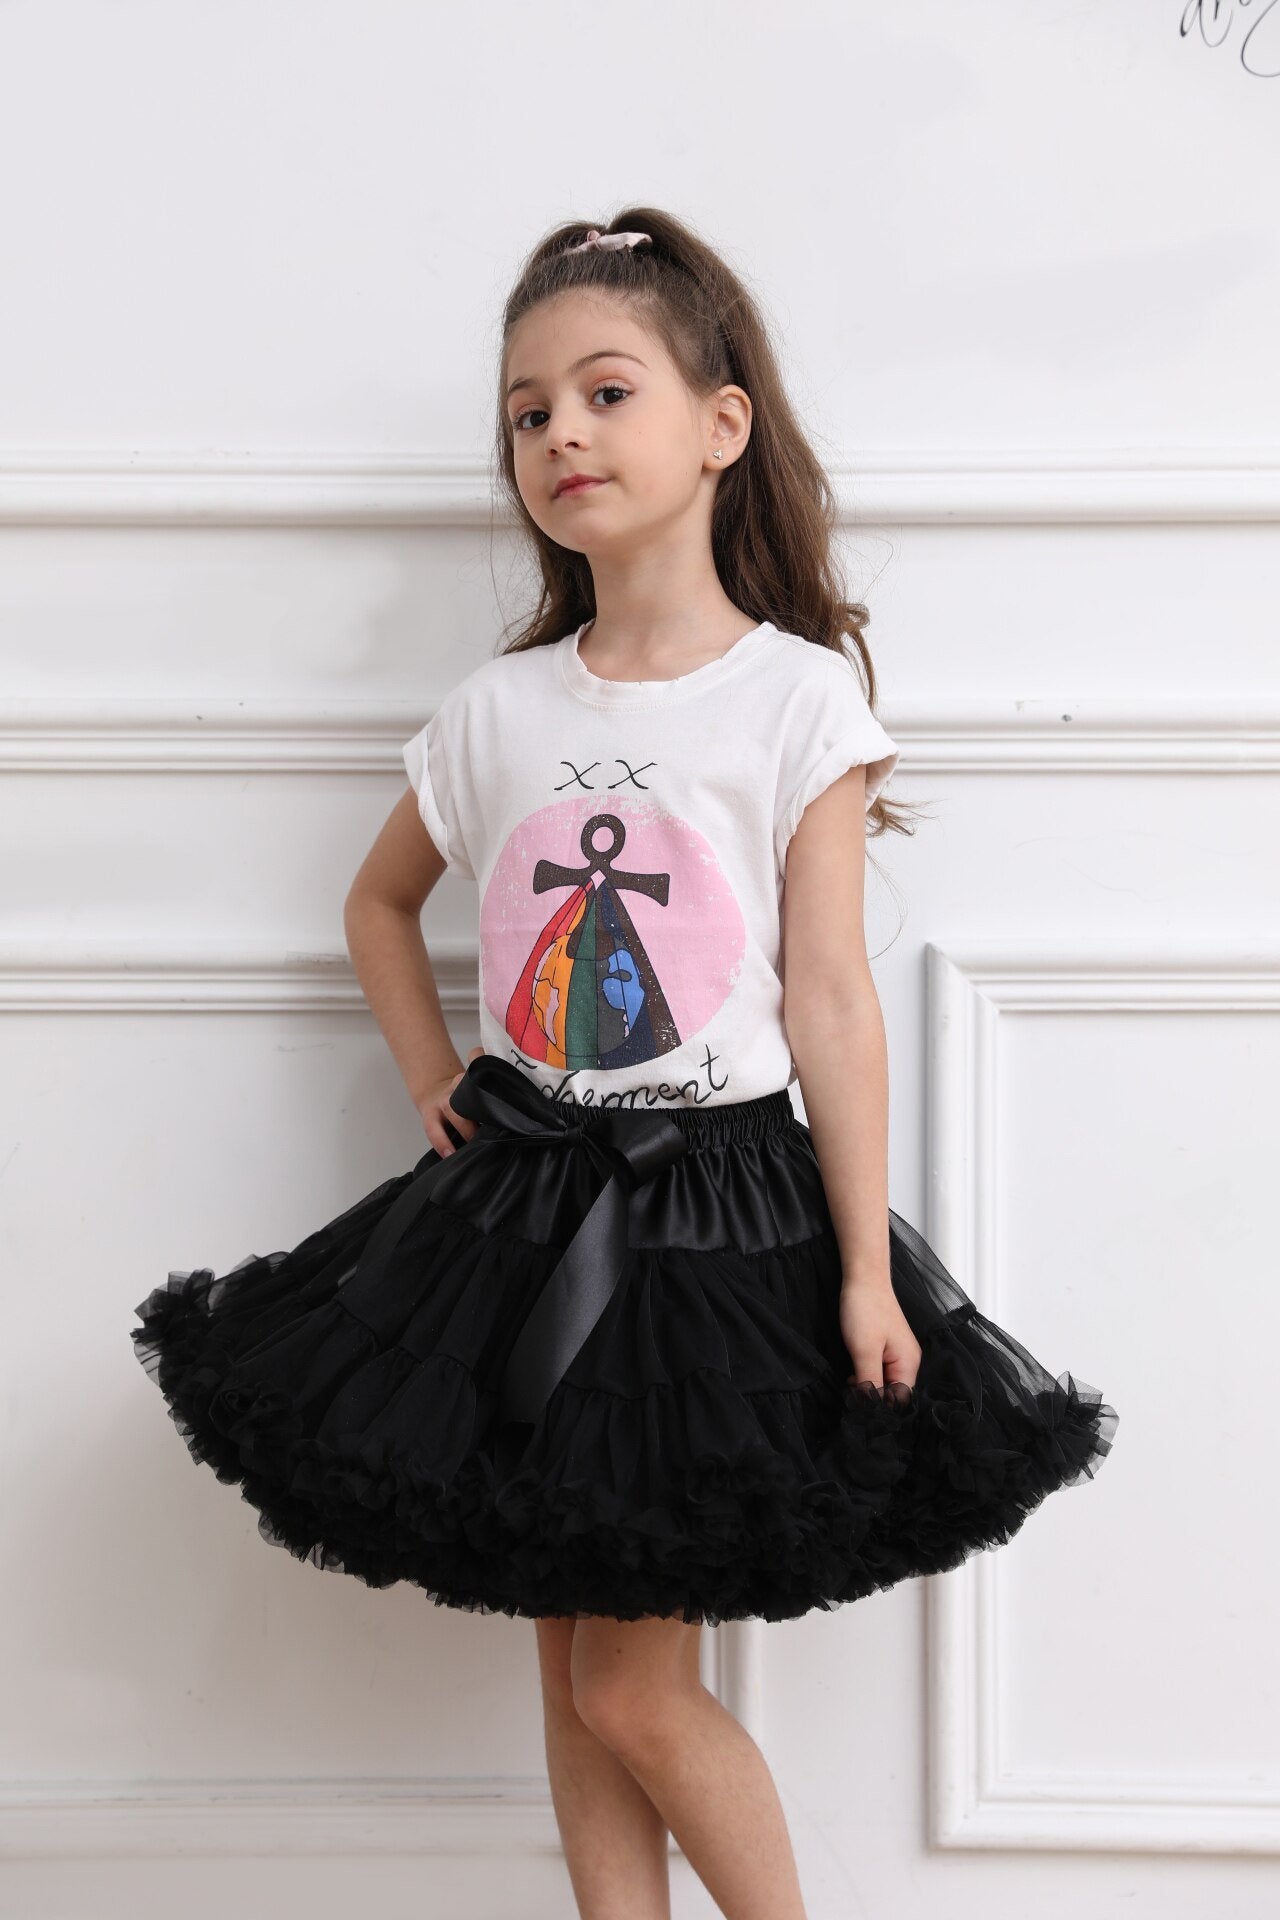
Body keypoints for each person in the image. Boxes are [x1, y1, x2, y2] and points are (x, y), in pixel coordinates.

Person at [130, 209, 1118, 1920]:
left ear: (720, 425)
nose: (561, 436)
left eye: (605, 393)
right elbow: (378, 903)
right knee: (572, 1670)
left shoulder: (796, 703)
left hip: (714, 1226)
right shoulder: (500, 712)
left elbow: (830, 1001)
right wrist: (437, 1073)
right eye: (529, 412)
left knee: (627, 1683)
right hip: (516, 1213)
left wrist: (866, 1269)